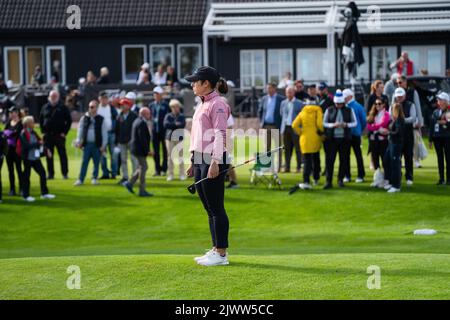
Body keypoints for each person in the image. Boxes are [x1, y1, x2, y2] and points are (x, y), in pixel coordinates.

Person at [185, 66, 231, 267]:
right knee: (208, 207)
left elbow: (221, 134)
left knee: (216, 207)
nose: (192, 84)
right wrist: (192, 160)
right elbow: (197, 135)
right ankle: (215, 249)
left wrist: (215, 162)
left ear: (206, 84)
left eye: (196, 81)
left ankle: (221, 254)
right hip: (200, 158)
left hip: (213, 159)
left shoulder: (218, 104)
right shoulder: (202, 103)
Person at [322, 89, 357, 189]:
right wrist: (333, 125)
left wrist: (346, 124)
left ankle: (340, 179)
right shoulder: (329, 110)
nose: (339, 105)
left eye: (340, 104)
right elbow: (324, 123)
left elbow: (355, 123)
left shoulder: (350, 110)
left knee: (343, 160)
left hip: (344, 139)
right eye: (337, 104)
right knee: (330, 161)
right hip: (331, 139)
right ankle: (328, 181)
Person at [20, 116, 55, 202]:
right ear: (27, 124)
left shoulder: (34, 133)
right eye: (32, 122)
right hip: (27, 158)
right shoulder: (23, 133)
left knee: (42, 173)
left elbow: (41, 142)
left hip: (35, 158)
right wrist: (37, 143)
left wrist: (47, 150)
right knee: (26, 177)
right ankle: (26, 196)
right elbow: (26, 146)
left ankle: (44, 193)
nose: (34, 123)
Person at [290, 101, 324, 191]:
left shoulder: (302, 112)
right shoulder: (318, 111)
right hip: (315, 137)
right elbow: (320, 125)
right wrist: (322, 132)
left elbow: (294, 125)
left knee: (306, 161)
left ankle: (306, 181)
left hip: (304, 138)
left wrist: (300, 132)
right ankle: (316, 178)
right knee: (316, 159)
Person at [39, 90, 72, 180]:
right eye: (52, 96)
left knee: (62, 155)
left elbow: (69, 121)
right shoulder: (45, 107)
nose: (53, 98)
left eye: (55, 96)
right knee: (49, 155)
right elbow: (41, 120)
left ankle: (65, 173)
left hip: (59, 135)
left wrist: (64, 133)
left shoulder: (63, 107)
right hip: (48, 135)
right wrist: (43, 132)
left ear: (58, 97)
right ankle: (50, 174)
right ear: (49, 97)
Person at [73, 100, 107, 186]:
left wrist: (103, 145)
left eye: (92, 107)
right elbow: (80, 131)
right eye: (89, 107)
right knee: (84, 162)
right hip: (87, 144)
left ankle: (94, 178)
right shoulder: (84, 118)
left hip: (97, 145)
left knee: (96, 163)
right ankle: (81, 179)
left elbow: (104, 133)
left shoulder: (101, 119)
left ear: (97, 107)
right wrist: (78, 141)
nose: (90, 108)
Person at [124, 107, 153, 197]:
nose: (150, 115)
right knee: (143, 167)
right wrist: (148, 151)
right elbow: (142, 139)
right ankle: (142, 190)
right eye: (148, 113)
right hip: (139, 150)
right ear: (144, 114)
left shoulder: (138, 121)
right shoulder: (141, 123)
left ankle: (129, 183)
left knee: (142, 167)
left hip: (136, 149)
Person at [390, 87, 416, 186]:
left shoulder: (410, 105)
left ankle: (409, 177)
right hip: (396, 135)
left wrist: (401, 120)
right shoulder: (392, 106)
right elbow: (390, 117)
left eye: (401, 96)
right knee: (397, 157)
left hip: (408, 134)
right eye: (398, 96)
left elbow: (413, 118)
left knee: (408, 156)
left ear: (404, 96)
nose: (399, 98)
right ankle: (398, 176)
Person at [258, 83, 284, 170]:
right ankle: (267, 166)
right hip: (266, 126)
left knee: (278, 147)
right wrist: (261, 122)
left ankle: (278, 167)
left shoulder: (281, 99)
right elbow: (260, 111)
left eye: (269, 88)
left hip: (276, 126)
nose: (268, 90)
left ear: (274, 89)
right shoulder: (264, 98)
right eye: (267, 88)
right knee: (266, 148)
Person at [343, 88, 366, 183]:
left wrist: (359, 130)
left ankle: (361, 175)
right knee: (346, 155)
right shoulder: (345, 106)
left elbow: (363, 120)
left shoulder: (357, 106)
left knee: (358, 155)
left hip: (355, 134)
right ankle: (347, 175)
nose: (344, 99)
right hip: (346, 134)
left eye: (345, 97)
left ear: (350, 96)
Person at [366, 98, 390, 185]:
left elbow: (383, 124)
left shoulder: (386, 114)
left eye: (379, 104)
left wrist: (375, 127)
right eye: (376, 104)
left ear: (383, 104)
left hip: (383, 141)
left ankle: (386, 180)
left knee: (385, 161)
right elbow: (369, 126)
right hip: (373, 141)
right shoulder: (373, 114)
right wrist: (378, 129)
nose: (377, 106)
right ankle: (378, 179)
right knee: (375, 161)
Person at [280, 86, 303, 173]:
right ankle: (287, 167)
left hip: (295, 128)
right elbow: (281, 114)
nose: (289, 94)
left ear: (294, 93)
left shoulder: (299, 103)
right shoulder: (283, 103)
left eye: (290, 92)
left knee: (297, 148)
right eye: (287, 92)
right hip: (286, 128)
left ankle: (298, 167)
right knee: (286, 149)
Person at [429, 92, 450, 185]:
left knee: (448, 158)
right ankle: (441, 179)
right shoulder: (435, 112)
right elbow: (432, 126)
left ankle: (449, 179)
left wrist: (445, 123)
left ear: (446, 101)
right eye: (438, 100)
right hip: (437, 138)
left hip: (447, 138)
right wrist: (430, 139)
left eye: (441, 100)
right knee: (440, 159)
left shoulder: (449, 112)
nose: (439, 102)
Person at [115, 98, 138, 185]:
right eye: (121, 105)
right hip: (121, 142)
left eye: (124, 104)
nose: (122, 106)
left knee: (133, 159)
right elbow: (116, 130)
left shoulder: (134, 115)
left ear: (128, 106)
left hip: (131, 141)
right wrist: (117, 142)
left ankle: (134, 177)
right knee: (123, 160)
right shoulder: (119, 116)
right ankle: (125, 177)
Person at [384, 103, 405, 193]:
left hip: (396, 144)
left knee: (395, 164)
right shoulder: (394, 120)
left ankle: (396, 185)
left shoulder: (399, 120)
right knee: (386, 160)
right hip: (391, 143)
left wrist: (388, 132)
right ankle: (391, 181)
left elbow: (397, 132)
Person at [97, 91, 119, 179]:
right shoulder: (97, 109)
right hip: (101, 135)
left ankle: (114, 173)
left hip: (111, 133)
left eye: (106, 98)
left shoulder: (112, 109)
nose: (104, 100)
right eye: (103, 98)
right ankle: (105, 173)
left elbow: (117, 121)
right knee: (103, 155)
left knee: (113, 154)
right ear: (100, 99)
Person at [163, 99, 186, 181]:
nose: (176, 108)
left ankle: (182, 174)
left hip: (179, 138)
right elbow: (166, 125)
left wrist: (172, 125)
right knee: (170, 157)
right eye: (174, 107)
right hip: (169, 139)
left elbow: (182, 125)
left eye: (177, 107)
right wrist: (176, 125)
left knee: (180, 157)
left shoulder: (182, 116)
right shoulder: (168, 116)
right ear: (171, 107)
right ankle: (170, 175)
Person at [3, 107, 24, 196]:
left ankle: (22, 189)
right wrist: (9, 134)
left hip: (17, 150)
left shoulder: (21, 123)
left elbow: (17, 134)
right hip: (8, 150)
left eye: (14, 112)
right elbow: (4, 133)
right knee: (10, 170)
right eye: (11, 112)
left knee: (19, 169)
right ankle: (12, 189)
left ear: (17, 113)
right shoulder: (8, 123)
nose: (12, 114)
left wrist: (10, 134)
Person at [150, 86, 169, 176]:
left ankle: (164, 169)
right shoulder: (151, 105)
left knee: (165, 151)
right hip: (154, 131)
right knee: (156, 151)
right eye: (155, 94)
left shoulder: (166, 105)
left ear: (161, 95)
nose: (156, 95)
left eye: (157, 94)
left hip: (163, 131)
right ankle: (157, 170)